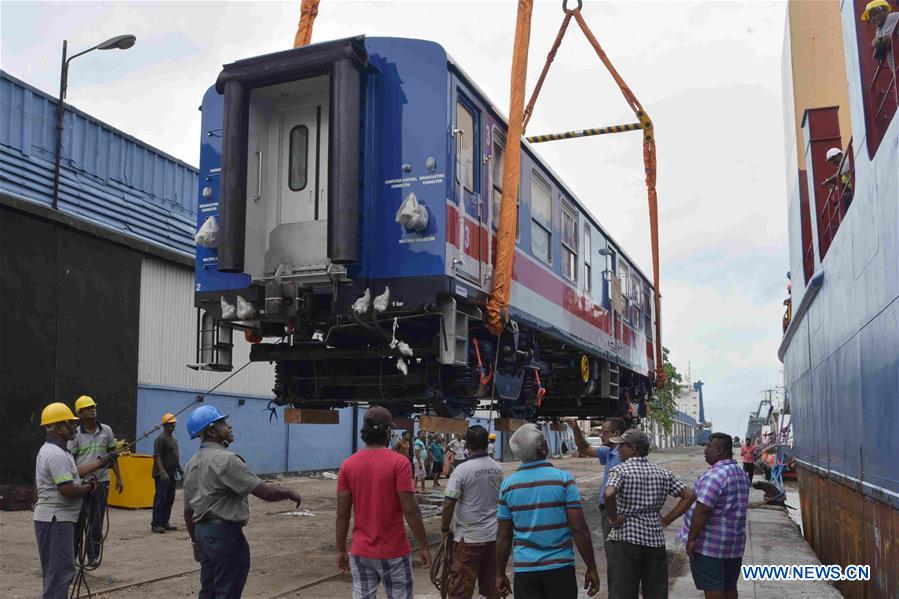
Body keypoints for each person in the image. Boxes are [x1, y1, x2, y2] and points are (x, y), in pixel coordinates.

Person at [182, 405, 301, 599]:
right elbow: (265, 493)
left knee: (208, 590)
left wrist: (195, 542)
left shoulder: (191, 464)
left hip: (202, 533)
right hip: (225, 535)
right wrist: (289, 492)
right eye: (222, 423)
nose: (229, 426)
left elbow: (188, 511)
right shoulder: (227, 460)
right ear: (211, 431)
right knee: (227, 590)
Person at [495, 423, 600, 599]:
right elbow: (578, 529)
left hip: (525, 570)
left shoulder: (508, 486)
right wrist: (591, 566)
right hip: (560, 568)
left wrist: (499, 574)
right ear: (543, 449)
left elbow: (503, 535)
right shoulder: (563, 480)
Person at [336, 406, 431, 599]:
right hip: (394, 552)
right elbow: (410, 510)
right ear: (388, 431)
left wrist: (341, 549)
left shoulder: (348, 465)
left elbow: (342, 514)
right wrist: (424, 546)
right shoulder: (399, 463)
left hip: (360, 552)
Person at [604, 429, 697, 599]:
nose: (618, 450)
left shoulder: (620, 470)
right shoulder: (663, 473)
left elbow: (609, 494)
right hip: (655, 540)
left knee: (623, 590)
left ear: (632, 449)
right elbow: (690, 495)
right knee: (656, 592)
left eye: (621, 446)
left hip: (627, 539)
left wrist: (614, 518)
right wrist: (667, 519)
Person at [34, 403, 112, 599]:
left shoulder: (60, 452)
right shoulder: (56, 455)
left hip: (58, 519)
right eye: (70, 423)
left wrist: (100, 462)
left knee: (60, 572)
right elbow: (68, 490)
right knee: (60, 574)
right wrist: (89, 488)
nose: (74, 427)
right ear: (59, 427)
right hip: (56, 520)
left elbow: (73, 474)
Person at [679, 433, 750, 599]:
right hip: (734, 544)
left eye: (708, 446)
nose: (705, 450)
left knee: (713, 586)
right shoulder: (740, 474)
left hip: (711, 545)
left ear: (720, 451)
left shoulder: (714, 475)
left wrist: (691, 538)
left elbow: (703, 509)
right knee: (730, 585)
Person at [441, 425, 503, 599]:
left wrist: (445, 528)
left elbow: (448, 503)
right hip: (493, 537)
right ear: (486, 443)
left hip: (468, 539)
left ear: (467, 445)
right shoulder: (497, 468)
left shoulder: (462, 470)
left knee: (460, 588)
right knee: (492, 586)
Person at [564, 416, 625, 592]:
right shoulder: (609, 452)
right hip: (609, 511)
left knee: (617, 557)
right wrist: (575, 428)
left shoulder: (623, 455)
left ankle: (619, 593)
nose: (600, 435)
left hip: (615, 511)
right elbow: (584, 448)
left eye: (605, 432)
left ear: (616, 434)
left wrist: (614, 515)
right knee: (613, 556)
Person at [68, 395, 122, 567]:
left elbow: (113, 457)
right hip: (82, 484)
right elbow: (70, 462)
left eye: (93, 407)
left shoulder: (106, 431)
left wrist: (119, 478)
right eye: (88, 408)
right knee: (78, 521)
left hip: (101, 483)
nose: (93, 410)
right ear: (80, 414)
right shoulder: (75, 435)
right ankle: (73, 554)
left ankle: (93, 556)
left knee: (96, 522)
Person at [151, 412, 182, 533]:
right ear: (164, 425)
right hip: (162, 475)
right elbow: (157, 456)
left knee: (170, 498)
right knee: (161, 498)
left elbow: (174, 456)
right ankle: (156, 523)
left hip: (171, 473)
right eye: (170, 424)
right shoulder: (161, 439)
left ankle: (164, 522)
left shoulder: (173, 439)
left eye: (174, 424)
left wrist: (180, 469)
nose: (173, 426)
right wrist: (162, 472)